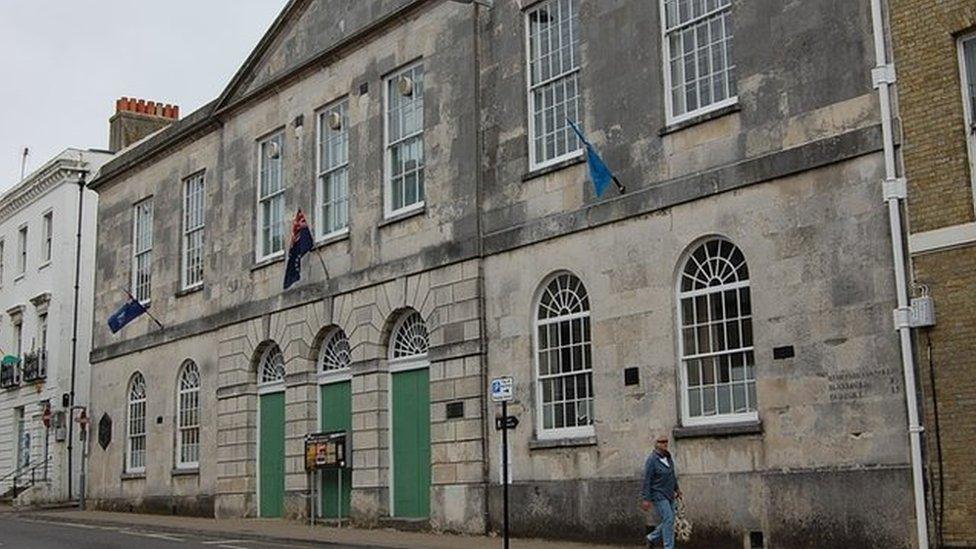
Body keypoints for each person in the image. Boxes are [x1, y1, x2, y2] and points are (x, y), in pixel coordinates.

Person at [641, 435, 681, 548]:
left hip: (669, 493)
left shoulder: (668, 457)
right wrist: (646, 498)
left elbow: (672, 475)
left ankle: (651, 537)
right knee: (668, 519)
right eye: (662, 442)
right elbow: (647, 480)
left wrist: (677, 488)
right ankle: (669, 547)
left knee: (670, 521)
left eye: (666, 442)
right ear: (656, 444)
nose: (665, 444)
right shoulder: (652, 460)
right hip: (658, 494)